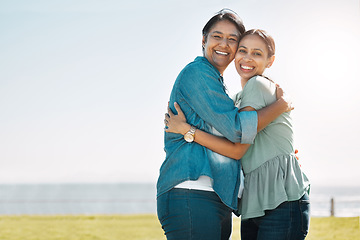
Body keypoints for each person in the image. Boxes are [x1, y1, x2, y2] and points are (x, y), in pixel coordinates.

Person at [157, 8, 293, 240]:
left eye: (233, 40)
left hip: (213, 197)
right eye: (217, 36)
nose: (224, 44)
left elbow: (236, 146)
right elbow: (238, 130)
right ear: (204, 40)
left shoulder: (220, 87)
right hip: (191, 192)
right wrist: (282, 105)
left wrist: (278, 152)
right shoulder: (198, 73)